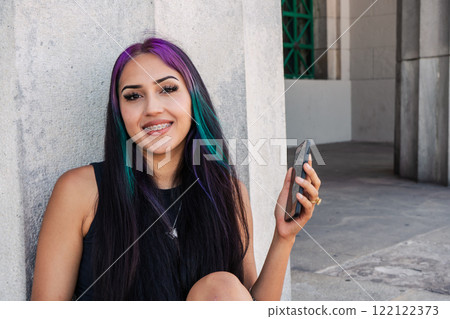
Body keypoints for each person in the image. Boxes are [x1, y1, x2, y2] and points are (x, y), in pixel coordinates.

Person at [30, 37, 322, 301]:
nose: (153, 108)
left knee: (222, 287)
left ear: (194, 100)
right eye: (133, 96)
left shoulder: (228, 192)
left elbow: (249, 304)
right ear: (119, 112)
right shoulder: (81, 190)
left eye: (167, 89)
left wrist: (284, 238)